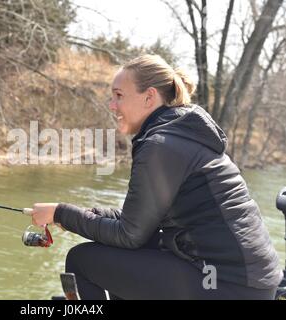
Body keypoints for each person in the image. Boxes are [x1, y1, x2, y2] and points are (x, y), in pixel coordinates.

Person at [30, 54, 283, 300]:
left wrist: (62, 213)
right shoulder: (177, 135)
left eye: (119, 96)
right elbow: (140, 222)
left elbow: (129, 234)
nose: (111, 105)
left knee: (81, 260)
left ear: (149, 97)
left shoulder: (161, 145)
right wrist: (79, 213)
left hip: (226, 284)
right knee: (133, 251)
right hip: (247, 282)